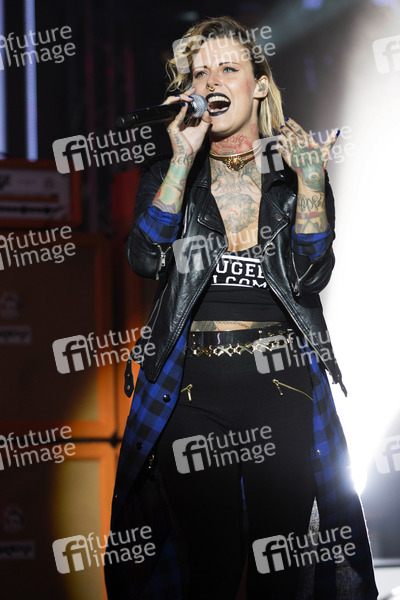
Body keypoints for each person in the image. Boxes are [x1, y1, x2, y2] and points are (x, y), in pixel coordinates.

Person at [105, 15, 378, 600]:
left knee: (281, 572)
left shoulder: (294, 176)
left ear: (259, 85)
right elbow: (145, 258)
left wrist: (311, 184)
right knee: (209, 568)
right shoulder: (170, 172)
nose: (212, 82)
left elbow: (312, 273)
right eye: (200, 73)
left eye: (228, 69)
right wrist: (181, 160)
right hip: (190, 390)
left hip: (281, 385)